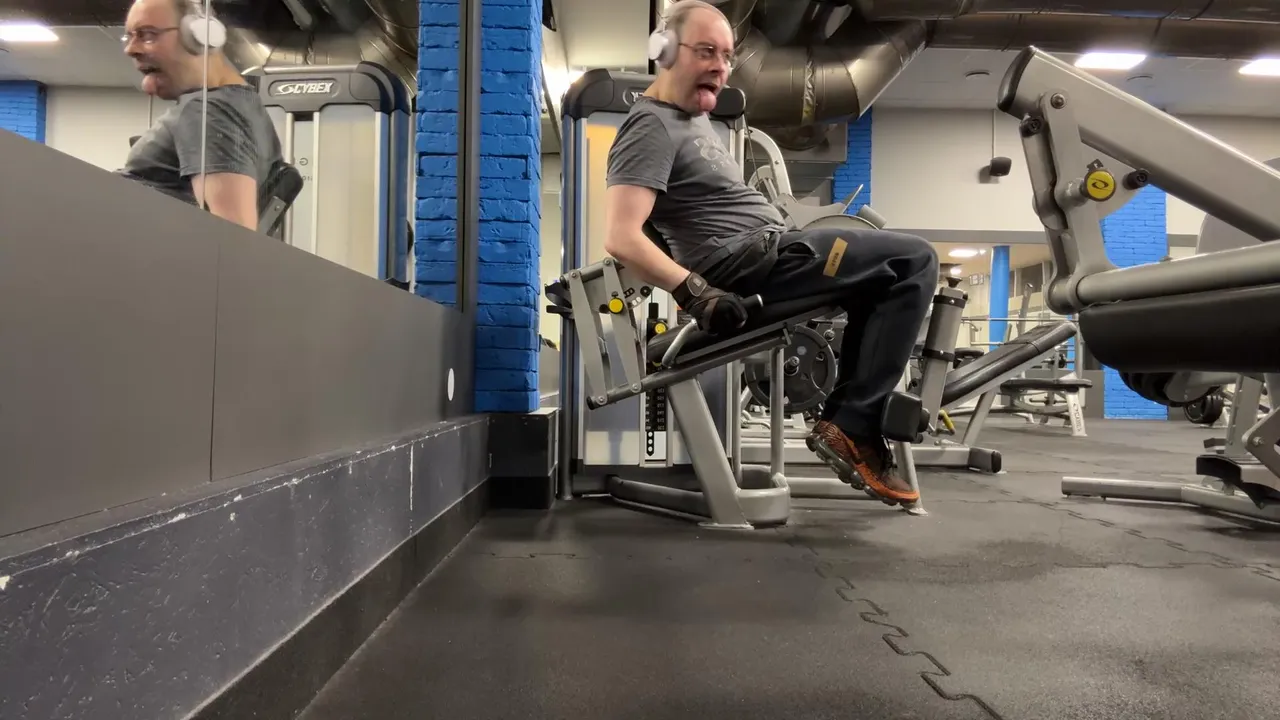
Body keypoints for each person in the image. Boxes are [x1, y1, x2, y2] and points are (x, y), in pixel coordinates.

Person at [603, 0, 939, 505]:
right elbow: (621, 236)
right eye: (706, 52)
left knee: (882, 283)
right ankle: (852, 427)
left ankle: (850, 424)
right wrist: (695, 292)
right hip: (754, 263)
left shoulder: (690, 120)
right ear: (665, 51)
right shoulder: (649, 125)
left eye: (727, 56)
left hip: (770, 253)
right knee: (913, 261)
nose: (720, 67)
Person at [117, 0, 282, 231]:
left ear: (203, 36)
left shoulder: (209, 111)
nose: (130, 49)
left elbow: (234, 238)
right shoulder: (232, 104)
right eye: (129, 36)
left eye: (147, 35)